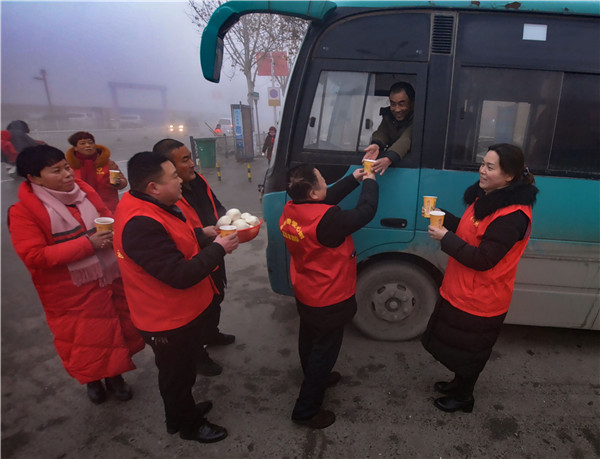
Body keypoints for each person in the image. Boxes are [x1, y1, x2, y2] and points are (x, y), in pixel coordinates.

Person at [113, 151, 238, 443]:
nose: (181, 180)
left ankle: (182, 411)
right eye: (173, 176)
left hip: (180, 313)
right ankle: (187, 425)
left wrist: (201, 234)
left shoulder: (153, 205)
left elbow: (169, 242)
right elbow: (178, 275)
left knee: (182, 372)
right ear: (153, 187)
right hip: (166, 320)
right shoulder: (140, 223)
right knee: (176, 377)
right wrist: (218, 248)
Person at [8, 144, 144, 405]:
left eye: (67, 167)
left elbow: (106, 216)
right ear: (33, 178)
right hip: (69, 290)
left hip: (107, 277)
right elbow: (34, 256)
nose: (67, 174)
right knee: (85, 341)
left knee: (116, 331)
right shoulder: (23, 212)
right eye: (56, 171)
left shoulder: (84, 191)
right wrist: (88, 245)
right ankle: (92, 380)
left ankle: (115, 376)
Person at [421, 143, 538, 413]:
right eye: (482, 164)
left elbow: (484, 260)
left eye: (489, 167)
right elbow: (469, 230)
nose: (481, 171)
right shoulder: (487, 197)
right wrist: (443, 219)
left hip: (483, 297)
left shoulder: (512, 216)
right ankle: (457, 384)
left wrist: (445, 239)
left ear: (509, 176)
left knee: (470, 352)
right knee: (458, 348)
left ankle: (464, 398)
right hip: (462, 289)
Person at [279, 163, 379, 429]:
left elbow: (324, 201)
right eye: (323, 180)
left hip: (306, 290)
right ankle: (306, 409)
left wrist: (353, 179)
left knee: (309, 339)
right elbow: (366, 211)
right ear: (313, 193)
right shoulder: (330, 222)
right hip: (329, 297)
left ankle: (314, 375)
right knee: (324, 351)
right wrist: (370, 180)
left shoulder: (291, 209)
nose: (326, 183)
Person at [152, 138, 235, 377]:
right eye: (185, 160)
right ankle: (199, 355)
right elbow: (177, 235)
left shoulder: (198, 181)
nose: (192, 164)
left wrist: (229, 221)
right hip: (193, 259)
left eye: (191, 157)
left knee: (216, 295)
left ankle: (212, 334)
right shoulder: (166, 197)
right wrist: (203, 235)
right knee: (199, 309)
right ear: (167, 168)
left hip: (214, 249)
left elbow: (215, 205)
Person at [65, 131, 127, 212]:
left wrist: (118, 183)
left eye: (91, 143)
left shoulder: (107, 163)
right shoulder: (69, 166)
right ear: (75, 147)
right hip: (79, 207)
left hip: (108, 207)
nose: (88, 145)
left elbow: (123, 182)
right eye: (82, 143)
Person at [362, 82, 415, 175]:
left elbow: (406, 139)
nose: (397, 109)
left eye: (401, 104)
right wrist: (376, 145)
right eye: (393, 104)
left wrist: (388, 158)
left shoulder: (418, 118)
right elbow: (382, 132)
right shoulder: (389, 116)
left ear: (412, 103)